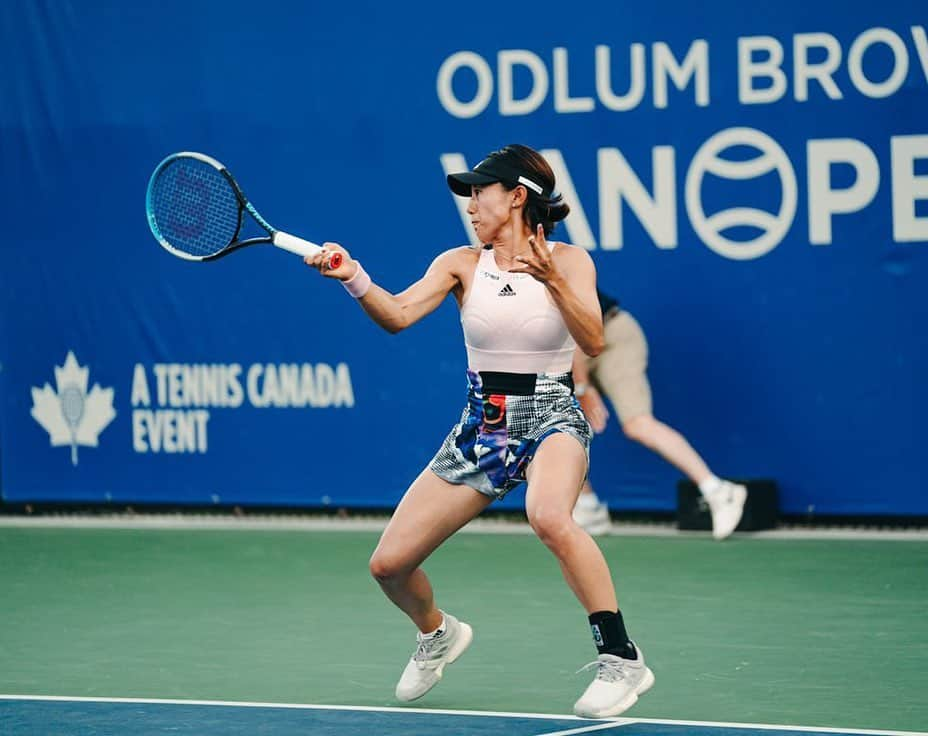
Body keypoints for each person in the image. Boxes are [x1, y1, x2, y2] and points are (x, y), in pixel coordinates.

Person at [305, 145, 654, 719]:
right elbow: (396, 316)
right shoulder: (461, 263)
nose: (469, 203)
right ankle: (438, 633)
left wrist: (552, 281)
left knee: (548, 515)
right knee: (388, 566)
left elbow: (592, 342)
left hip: (551, 413)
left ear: (517, 197)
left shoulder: (571, 260)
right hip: (482, 425)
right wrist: (354, 277)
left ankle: (621, 658)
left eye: (479, 191)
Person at [571, 289, 747, 540]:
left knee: (637, 424)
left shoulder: (540, 264)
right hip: (570, 354)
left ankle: (719, 491)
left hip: (609, 335)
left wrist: (583, 387)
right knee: (552, 427)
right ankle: (588, 507)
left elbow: (573, 327)